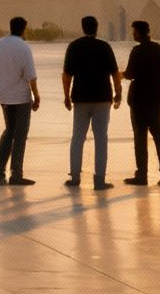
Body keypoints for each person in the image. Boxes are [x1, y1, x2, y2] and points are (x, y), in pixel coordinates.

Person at [60, 16, 122, 190]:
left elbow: (67, 75)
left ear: (83, 27)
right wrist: (118, 93)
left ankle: (75, 177)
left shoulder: (74, 46)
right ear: (97, 28)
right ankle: (99, 179)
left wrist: (66, 96)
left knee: (78, 137)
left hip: (81, 99)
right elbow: (115, 73)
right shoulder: (104, 47)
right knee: (101, 138)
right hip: (102, 98)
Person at [0, 15, 40, 186]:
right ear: (24, 29)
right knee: (20, 135)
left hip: (3, 96)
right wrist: (36, 96)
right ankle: (16, 174)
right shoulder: (24, 47)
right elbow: (31, 77)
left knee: (9, 130)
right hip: (20, 98)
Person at [121, 19, 160, 186]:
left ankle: (142, 175)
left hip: (139, 101)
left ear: (138, 33)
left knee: (140, 138)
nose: (133, 34)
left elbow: (130, 74)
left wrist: (120, 75)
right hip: (156, 100)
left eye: (134, 31)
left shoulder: (137, 51)